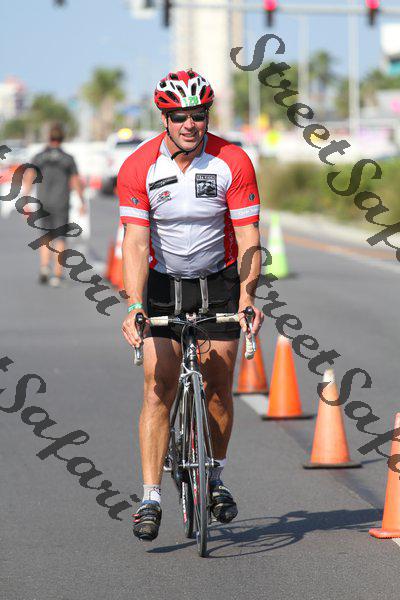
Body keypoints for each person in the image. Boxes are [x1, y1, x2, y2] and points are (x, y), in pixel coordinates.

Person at [118, 69, 264, 542]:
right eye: (179, 116)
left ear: (207, 117)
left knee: (219, 386)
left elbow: (248, 236)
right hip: (163, 284)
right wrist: (135, 304)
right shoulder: (139, 166)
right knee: (158, 386)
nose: (189, 124)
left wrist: (247, 297)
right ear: (164, 118)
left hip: (219, 281)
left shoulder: (232, 161)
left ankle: (215, 476)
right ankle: (150, 496)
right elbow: (135, 242)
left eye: (198, 115)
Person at [24, 123, 86, 287]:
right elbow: (75, 180)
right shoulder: (68, 158)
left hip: (43, 201)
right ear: (62, 138)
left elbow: (30, 175)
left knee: (45, 235)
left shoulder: (39, 156)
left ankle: (45, 267)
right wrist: (82, 200)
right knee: (60, 237)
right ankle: (57, 275)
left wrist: (26, 196)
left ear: (49, 137)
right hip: (61, 202)